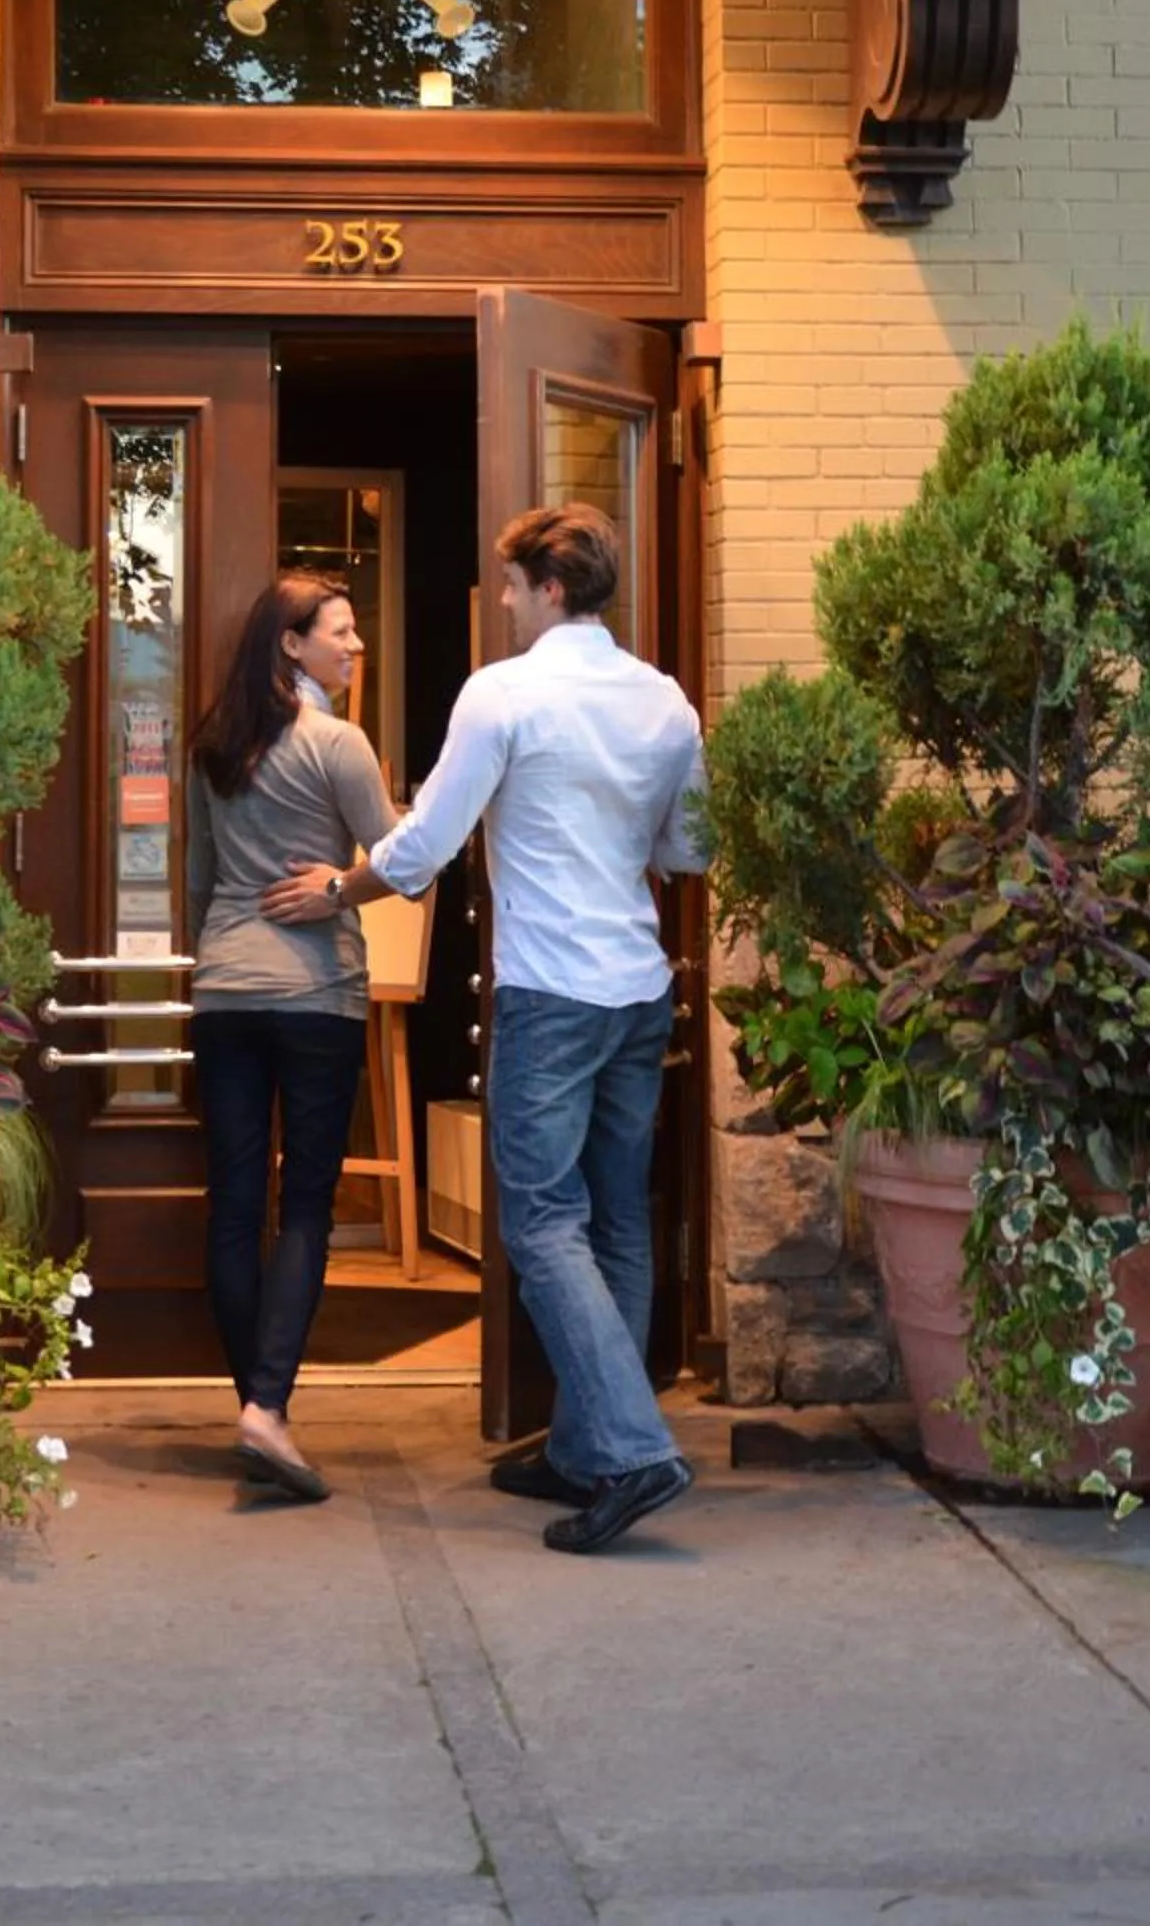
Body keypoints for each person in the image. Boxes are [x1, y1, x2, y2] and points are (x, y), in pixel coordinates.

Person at [262, 503, 707, 1554]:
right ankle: (589, 1446)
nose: (501, 602)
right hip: (636, 989)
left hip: (550, 993)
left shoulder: (501, 694)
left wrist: (337, 886)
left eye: (510, 586)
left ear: (548, 587)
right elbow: (687, 852)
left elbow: (420, 850)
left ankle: (633, 1451)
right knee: (618, 1219)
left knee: (543, 1222)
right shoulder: (665, 702)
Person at [186, 570, 398, 1502]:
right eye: (340, 633)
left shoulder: (214, 748)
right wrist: (340, 889)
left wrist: (224, 950)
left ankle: (258, 1411)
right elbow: (407, 864)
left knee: (235, 1205)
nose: (355, 648)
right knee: (304, 1203)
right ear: (291, 643)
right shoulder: (340, 745)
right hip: (317, 996)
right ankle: (267, 1408)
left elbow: (196, 880)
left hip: (226, 990)